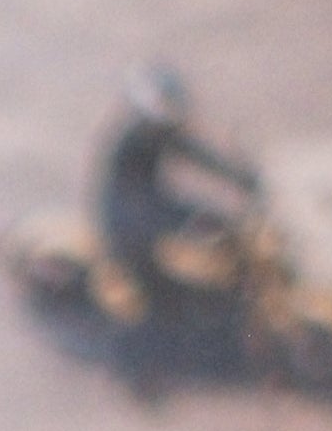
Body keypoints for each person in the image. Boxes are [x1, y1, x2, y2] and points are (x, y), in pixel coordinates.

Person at [93, 63, 260, 317]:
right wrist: (193, 221)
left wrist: (237, 175)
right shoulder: (135, 141)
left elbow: (192, 151)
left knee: (214, 227)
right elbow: (139, 206)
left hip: (147, 207)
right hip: (129, 220)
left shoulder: (152, 130)